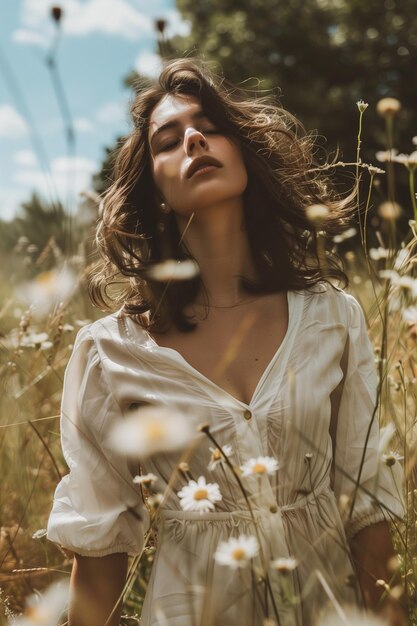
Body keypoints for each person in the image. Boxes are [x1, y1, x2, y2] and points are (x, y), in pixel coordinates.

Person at [47, 58, 407, 626]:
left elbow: (367, 507)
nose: (193, 139)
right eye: (169, 139)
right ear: (155, 189)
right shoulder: (110, 351)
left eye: (210, 127)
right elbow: (98, 554)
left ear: (243, 152)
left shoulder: (331, 317)